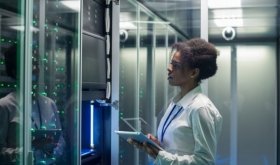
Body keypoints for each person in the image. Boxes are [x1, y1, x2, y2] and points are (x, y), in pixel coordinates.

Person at [128, 38, 223, 165]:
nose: (169, 68)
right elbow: (176, 149)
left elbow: (204, 161)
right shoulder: (175, 103)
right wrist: (156, 147)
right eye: (171, 63)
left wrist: (161, 155)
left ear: (193, 72)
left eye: (176, 65)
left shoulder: (200, 108)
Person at [0, 44, 65, 164]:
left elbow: (60, 141)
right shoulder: (5, 106)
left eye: (37, 63)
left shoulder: (49, 104)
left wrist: (52, 150)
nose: (36, 69)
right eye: (31, 64)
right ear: (15, 71)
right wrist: (30, 148)